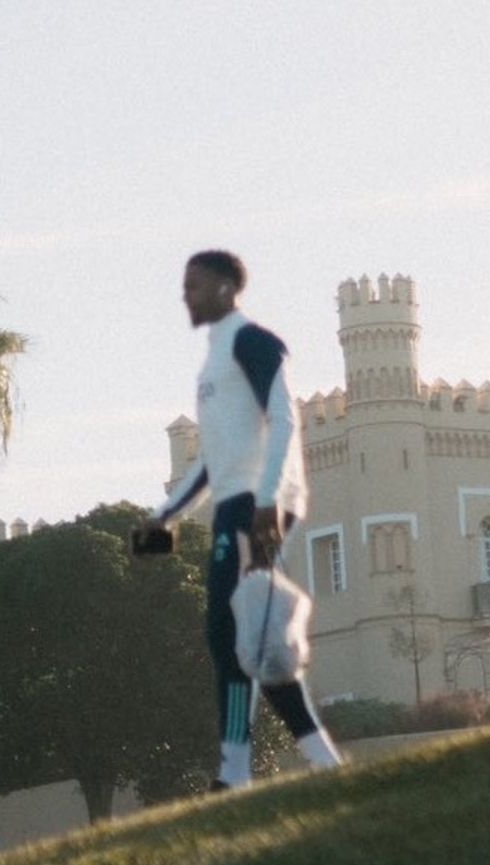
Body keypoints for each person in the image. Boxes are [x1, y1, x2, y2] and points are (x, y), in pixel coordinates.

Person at [143, 250, 342, 791]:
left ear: (228, 288)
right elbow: (212, 459)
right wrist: (163, 516)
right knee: (245, 634)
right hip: (233, 502)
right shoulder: (211, 364)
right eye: (184, 285)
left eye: (197, 285)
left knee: (233, 631)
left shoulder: (253, 342)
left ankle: (236, 773)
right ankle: (318, 763)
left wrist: (270, 501)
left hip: (256, 504)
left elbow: (283, 419)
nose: (186, 294)